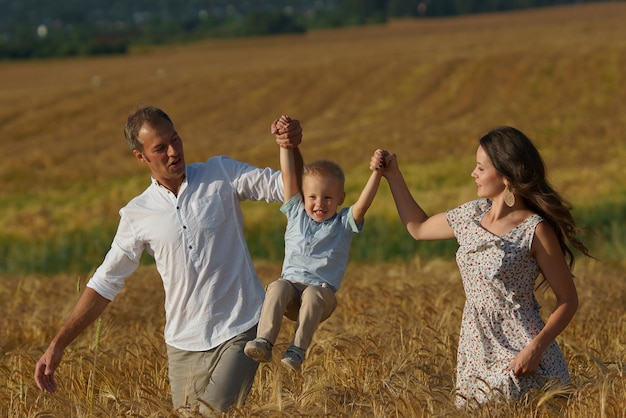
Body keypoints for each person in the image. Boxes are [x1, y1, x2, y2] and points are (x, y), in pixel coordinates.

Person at [34, 106, 303, 415]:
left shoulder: (221, 174)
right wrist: (58, 344)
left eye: (175, 140)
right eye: (160, 148)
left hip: (241, 327)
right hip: (182, 345)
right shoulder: (137, 214)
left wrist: (290, 148)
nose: (174, 151)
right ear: (141, 157)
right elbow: (105, 282)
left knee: (212, 414)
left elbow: (288, 190)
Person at [370, 126, 591, 408]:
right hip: (476, 348)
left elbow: (568, 300)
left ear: (506, 174)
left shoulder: (534, 230)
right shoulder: (471, 215)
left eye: (480, 167)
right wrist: (393, 175)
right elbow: (419, 228)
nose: (473, 174)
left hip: (523, 350)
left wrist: (534, 350)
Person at [244, 116, 384, 372]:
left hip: (322, 296)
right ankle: (264, 341)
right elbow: (288, 174)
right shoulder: (295, 212)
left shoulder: (342, 224)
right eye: (313, 197)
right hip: (291, 293)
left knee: (312, 294)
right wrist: (284, 144)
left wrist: (377, 173)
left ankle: (296, 351)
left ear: (341, 198)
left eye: (328, 198)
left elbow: (363, 204)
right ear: (303, 197)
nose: (320, 203)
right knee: (276, 286)